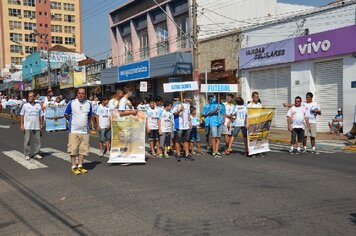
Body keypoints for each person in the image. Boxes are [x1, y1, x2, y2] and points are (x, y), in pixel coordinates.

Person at [64, 88, 93, 175]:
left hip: (84, 131)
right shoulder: (72, 103)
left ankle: (80, 165)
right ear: (77, 94)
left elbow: (90, 116)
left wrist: (86, 124)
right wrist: (71, 123)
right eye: (79, 93)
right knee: (73, 149)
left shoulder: (88, 104)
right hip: (74, 130)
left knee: (83, 150)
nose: (81, 95)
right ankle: (74, 166)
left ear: (85, 94)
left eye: (83, 93)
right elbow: (66, 114)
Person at [20, 91, 44, 160]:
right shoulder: (25, 105)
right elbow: (22, 115)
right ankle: (27, 154)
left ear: (34, 97)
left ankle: (36, 153)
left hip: (37, 126)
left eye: (31, 96)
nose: (29, 98)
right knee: (27, 141)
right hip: (27, 126)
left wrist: (41, 124)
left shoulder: (38, 105)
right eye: (28, 96)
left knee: (37, 141)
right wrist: (22, 124)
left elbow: (41, 115)